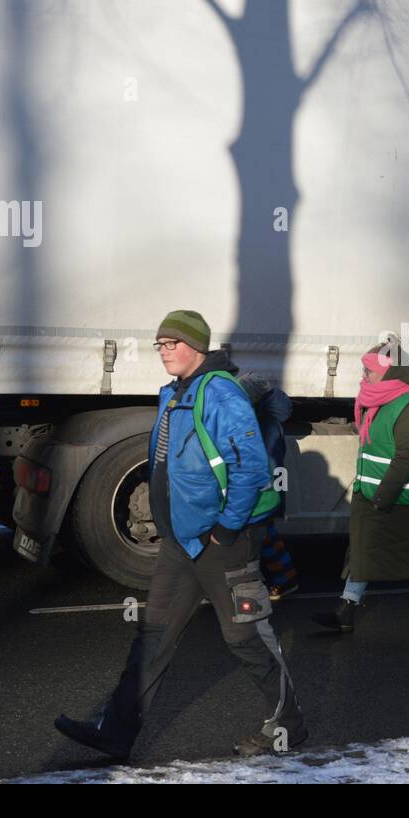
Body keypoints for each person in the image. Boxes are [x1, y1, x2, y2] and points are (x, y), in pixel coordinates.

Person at [54, 310, 305, 759]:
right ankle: (115, 731)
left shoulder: (220, 393)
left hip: (223, 539)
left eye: (173, 343)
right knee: (153, 635)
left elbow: (250, 468)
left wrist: (227, 529)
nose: (165, 351)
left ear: (198, 346)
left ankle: (288, 724)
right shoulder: (173, 393)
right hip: (181, 540)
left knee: (244, 635)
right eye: (161, 345)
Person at [312, 345, 409, 633]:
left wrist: (381, 498)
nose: (364, 376)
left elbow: (405, 459)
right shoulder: (381, 403)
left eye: (369, 370)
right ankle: (346, 611)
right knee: (362, 552)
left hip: (403, 501)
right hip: (373, 496)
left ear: (389, 373)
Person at [239, 372, 298, 600]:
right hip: (268, 487)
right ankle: (285, 579)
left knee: (256, 534)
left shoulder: (251, 418)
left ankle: (256, 585)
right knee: (266, 534)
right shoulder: (269, 417)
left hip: (259, 488)